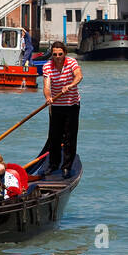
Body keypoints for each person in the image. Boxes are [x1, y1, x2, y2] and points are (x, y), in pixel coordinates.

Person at [40, 40, 83, 178]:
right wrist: (48, 98)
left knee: (70, 136)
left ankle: (66, 167)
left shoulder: (71, 62)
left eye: (60, 54)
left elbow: (79, 76)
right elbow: (46, 86)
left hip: (72, 105)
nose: (57, 57)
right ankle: (53, 165)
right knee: (54, 137)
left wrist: (70, 85)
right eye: (54, 54)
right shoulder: (47, 66)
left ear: (64, 53)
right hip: (56, 105)